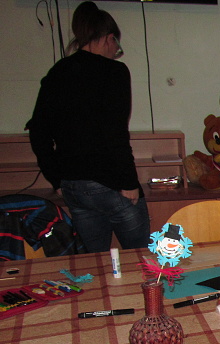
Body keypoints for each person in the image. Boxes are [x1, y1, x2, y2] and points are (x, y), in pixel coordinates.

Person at [26, 1, 150, 253]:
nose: (116, 51)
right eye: (116, 45)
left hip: (73, 186)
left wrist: (56, 178)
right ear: (109, 38)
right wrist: (129, 182)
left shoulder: (58, 72)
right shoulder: (113, 72)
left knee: (95, 260)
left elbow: (38, 131)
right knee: (140, 258)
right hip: (110, 182)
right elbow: (115, 132)